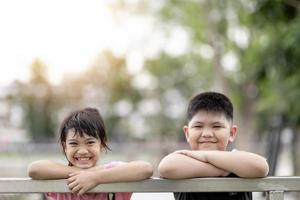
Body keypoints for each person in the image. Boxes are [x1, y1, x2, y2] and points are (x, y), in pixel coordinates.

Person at [158, 91, 269, 200]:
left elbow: (262, 167)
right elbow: (165, 167)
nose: (207, 134)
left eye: (216, 126)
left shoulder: (237, 159)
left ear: (231, 133)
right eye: (198, 126)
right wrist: (222, 170)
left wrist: (205, 156)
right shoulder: (183, 159)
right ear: (187, 133)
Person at [28, 107, 153, 200]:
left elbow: (145, 168)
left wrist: (96, 178)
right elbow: (35, 169)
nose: (82, 151)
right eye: (74, 143)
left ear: (102, 145)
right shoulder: (62, 174)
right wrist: (82, 174)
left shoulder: (111, 171)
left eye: (90, 142)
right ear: (64, 147)